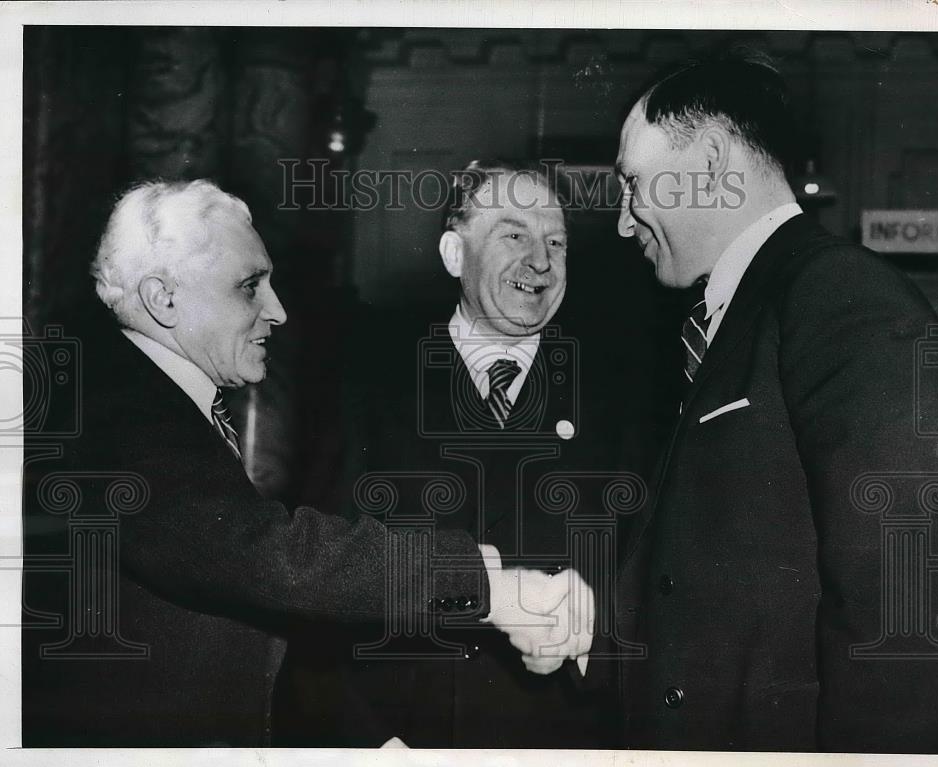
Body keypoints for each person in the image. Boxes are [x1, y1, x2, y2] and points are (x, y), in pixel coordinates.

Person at [21, 179, 591, 746]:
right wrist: (489, 584)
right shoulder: (117, 415)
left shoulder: (143, 400)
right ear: (163, 297)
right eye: (250, 287)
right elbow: (270, 556)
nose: (279, 311)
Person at [604, 52, 938, 752]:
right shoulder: (731, 312)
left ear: (708, 161)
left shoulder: (842, 297)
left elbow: (895, 617)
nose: (622, 222)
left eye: (633, 186)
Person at [285, 161, 630, 748]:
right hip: (402, 742)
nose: (540, 261)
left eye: (555, 242)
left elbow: (649, 583)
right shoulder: (368, 387)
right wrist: (365, 744)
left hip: (559, 740)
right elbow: (313, 577)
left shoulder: (620, 399)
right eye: (513, 235)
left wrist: (592, 643)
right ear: (453, 254)